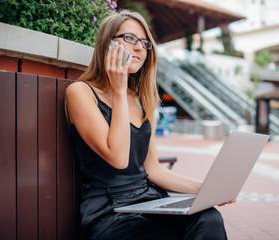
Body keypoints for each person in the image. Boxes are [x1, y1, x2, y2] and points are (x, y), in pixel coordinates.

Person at [65, 9, 233, 240]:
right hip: (108, 210)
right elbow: (119, 158)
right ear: (107, 44)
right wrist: (119, 90)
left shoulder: (141, 99)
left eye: (144, 43)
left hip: (146, 200)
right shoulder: (81, 92)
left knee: (208, 218)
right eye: (130, 38)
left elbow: (153, 169)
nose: (138, 48)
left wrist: (207, 189)